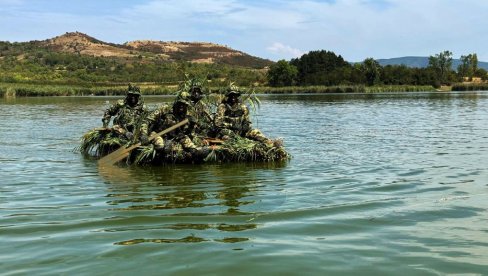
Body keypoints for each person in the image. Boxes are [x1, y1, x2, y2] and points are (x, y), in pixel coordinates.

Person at [141, 98, 209, 160]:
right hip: (159, 133)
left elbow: (189, 133)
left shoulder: (187, 114)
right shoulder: (165, 109)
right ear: (176, 103)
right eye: (179, 104)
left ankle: (197, 153)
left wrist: (192, 125)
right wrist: (144, 134)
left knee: (190, 146)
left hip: (176, 136)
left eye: (184, 105)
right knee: (160, 145)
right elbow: (147, 120)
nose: (181, 107)